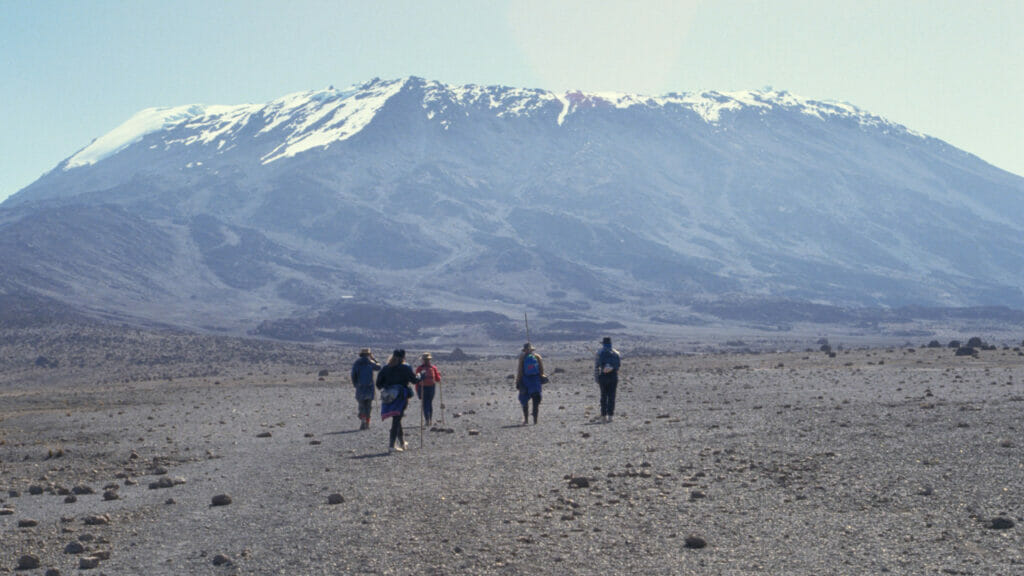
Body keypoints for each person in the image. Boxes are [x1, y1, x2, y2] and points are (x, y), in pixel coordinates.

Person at [376, 349, 420, 453]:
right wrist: (420, 376)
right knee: (397, 419)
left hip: (388, 397)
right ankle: (392, 445)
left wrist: (387, 387)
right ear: (403, 357)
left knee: (397, 418)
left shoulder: (386, 368)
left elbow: (378, 384)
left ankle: (402, 442)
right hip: (401, 396)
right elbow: (414, 380)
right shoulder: (406, 367)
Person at [515, 342, 546, 425]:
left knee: (524, 400)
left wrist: (518, 381)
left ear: (524, 350)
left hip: (525, 381)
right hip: (535, 382)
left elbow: (520, 370)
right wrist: (542, 377)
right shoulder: (537, 357)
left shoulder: (522, 357)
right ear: (532, 349)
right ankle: (535, 420)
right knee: (536, 401)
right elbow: (541, 369)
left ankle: (526, 420)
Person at [350, 348, 381, 430]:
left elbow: (353, 375)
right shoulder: (370, 363)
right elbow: (379, 367)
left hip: (360, 388)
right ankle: (367, 422)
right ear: (368, 354)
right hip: (369, 388)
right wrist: (374, 358)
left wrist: (355, 385)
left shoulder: (357, 363)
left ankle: (363, 419)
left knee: (361, 405)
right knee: (368, 406)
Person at [594, 336, 621, 423]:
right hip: (613, 376)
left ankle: (603, 416)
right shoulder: (616, 353)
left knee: (604, 396)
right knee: (612, 396)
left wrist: (597, 378)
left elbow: (596, 367)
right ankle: (611, 416)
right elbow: (618, 366)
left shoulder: (599, 353)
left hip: (603, 377)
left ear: (603, 344)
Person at [415, 352, 441, 427]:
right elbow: (438, 379)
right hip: (431, 388)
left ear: (423, 360)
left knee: (425, 404)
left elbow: (417, 380)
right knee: (429, 403)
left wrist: (417, 391)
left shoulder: (419, 368)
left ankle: (427, 419)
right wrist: (439, 375)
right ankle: (430, 420)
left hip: (422, 387)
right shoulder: (433, 368)